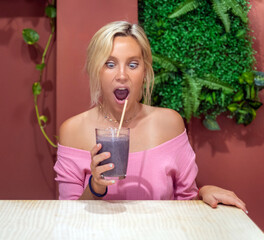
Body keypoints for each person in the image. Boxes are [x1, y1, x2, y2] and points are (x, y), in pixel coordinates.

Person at [54, 21, 247, 213]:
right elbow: (69, 216)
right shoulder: (72, 131)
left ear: (144, 72)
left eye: (132, 64)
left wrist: (205, 191)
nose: (122, 75)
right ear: (96, 70)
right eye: (110, 64)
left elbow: (186, 202)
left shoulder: (170, 124)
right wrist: (95, 187)